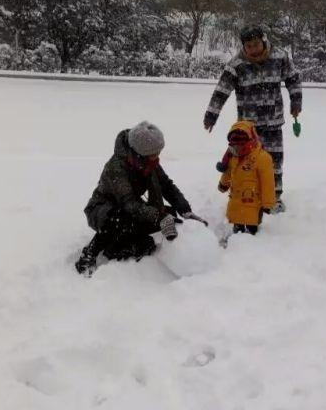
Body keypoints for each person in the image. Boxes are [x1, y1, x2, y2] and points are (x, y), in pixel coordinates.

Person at [204, 24, 302, 213]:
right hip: (249, 128)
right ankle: (246, 193)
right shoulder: (237, 65)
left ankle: (273, 198)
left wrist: (296, 101)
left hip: (274, 122)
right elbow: (221, 91)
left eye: (256, 44)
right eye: (248, 46)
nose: (253, 49)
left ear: (263, 41)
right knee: (246, 162)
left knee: (274, 161)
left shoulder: (280, 57)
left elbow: (293, 79)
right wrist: (211, 115)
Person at [75, 121, 196, 275]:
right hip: (102, 211)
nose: (157, 158)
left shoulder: (148, 162)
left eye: (158, 153)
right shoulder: (116, 168)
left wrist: (185, 209)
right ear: (139, 154)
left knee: (170, 215)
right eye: (153, 155)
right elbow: (129, 204)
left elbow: (166, 185)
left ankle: (124, 242)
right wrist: (160, 217)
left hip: (130, 207)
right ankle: (90, 254)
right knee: (121, 219)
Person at [218, 120, 276, 236]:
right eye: (234, 144)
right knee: (237, 229)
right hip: (235, 203)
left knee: (251, 231)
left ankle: (251, 245)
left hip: (253, 203)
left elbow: (267, 183)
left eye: (241, 143)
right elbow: (228, 172)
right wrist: (223, 184)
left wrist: (267, 204)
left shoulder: (262, 158)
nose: (238, 147)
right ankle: (235, 244)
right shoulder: (233, 156)